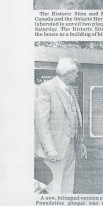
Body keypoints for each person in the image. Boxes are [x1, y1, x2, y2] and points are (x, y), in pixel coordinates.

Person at [34, 57, 87, 194]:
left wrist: (79, 142)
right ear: (69, 72)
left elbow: (74, 116)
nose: (77, 76)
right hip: (55, 150)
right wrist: (50, 149)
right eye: (75, 73)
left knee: (68, 187)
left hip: (71, 148)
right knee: (55, 188)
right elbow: (41, 122)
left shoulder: (68, 89)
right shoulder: (46, 88)